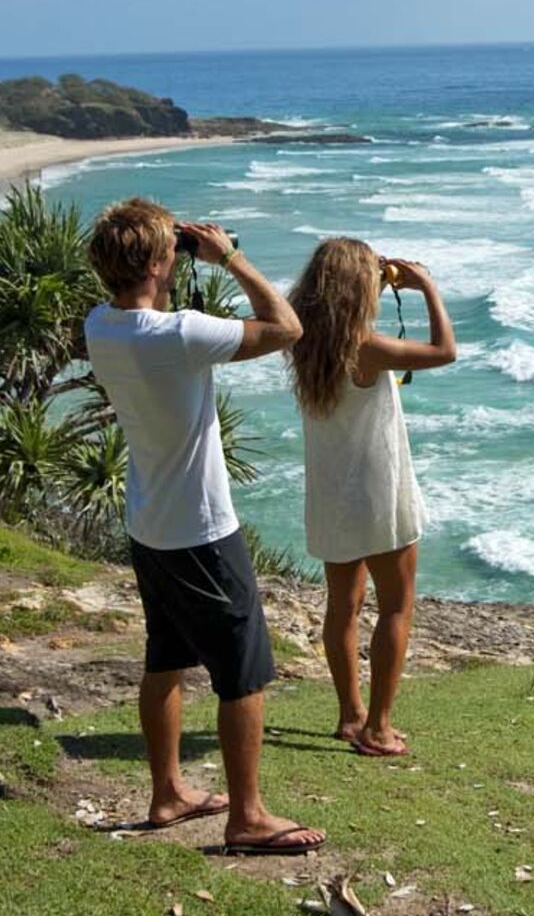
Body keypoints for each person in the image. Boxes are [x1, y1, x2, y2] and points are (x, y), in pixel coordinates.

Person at [82, 197, 324, 856]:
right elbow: (286, 327)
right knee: (243, 670)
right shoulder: (177, 335)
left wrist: (170, 257)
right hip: (200, 528)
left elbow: (152, 308)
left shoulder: (99, 324)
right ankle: (246, 815)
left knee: (165, 655)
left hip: (150, 520)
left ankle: (167, 792)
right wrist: (230, 257)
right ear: (161, 263)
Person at [285, 238, 457, 758]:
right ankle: (379, 728)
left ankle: (349, 714)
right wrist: (425, 285)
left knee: (343, 606)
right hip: (380, 492)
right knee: (396, 606)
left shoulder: (303, 342)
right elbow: (444, 351)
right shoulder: (367, 346)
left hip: (331, 493)